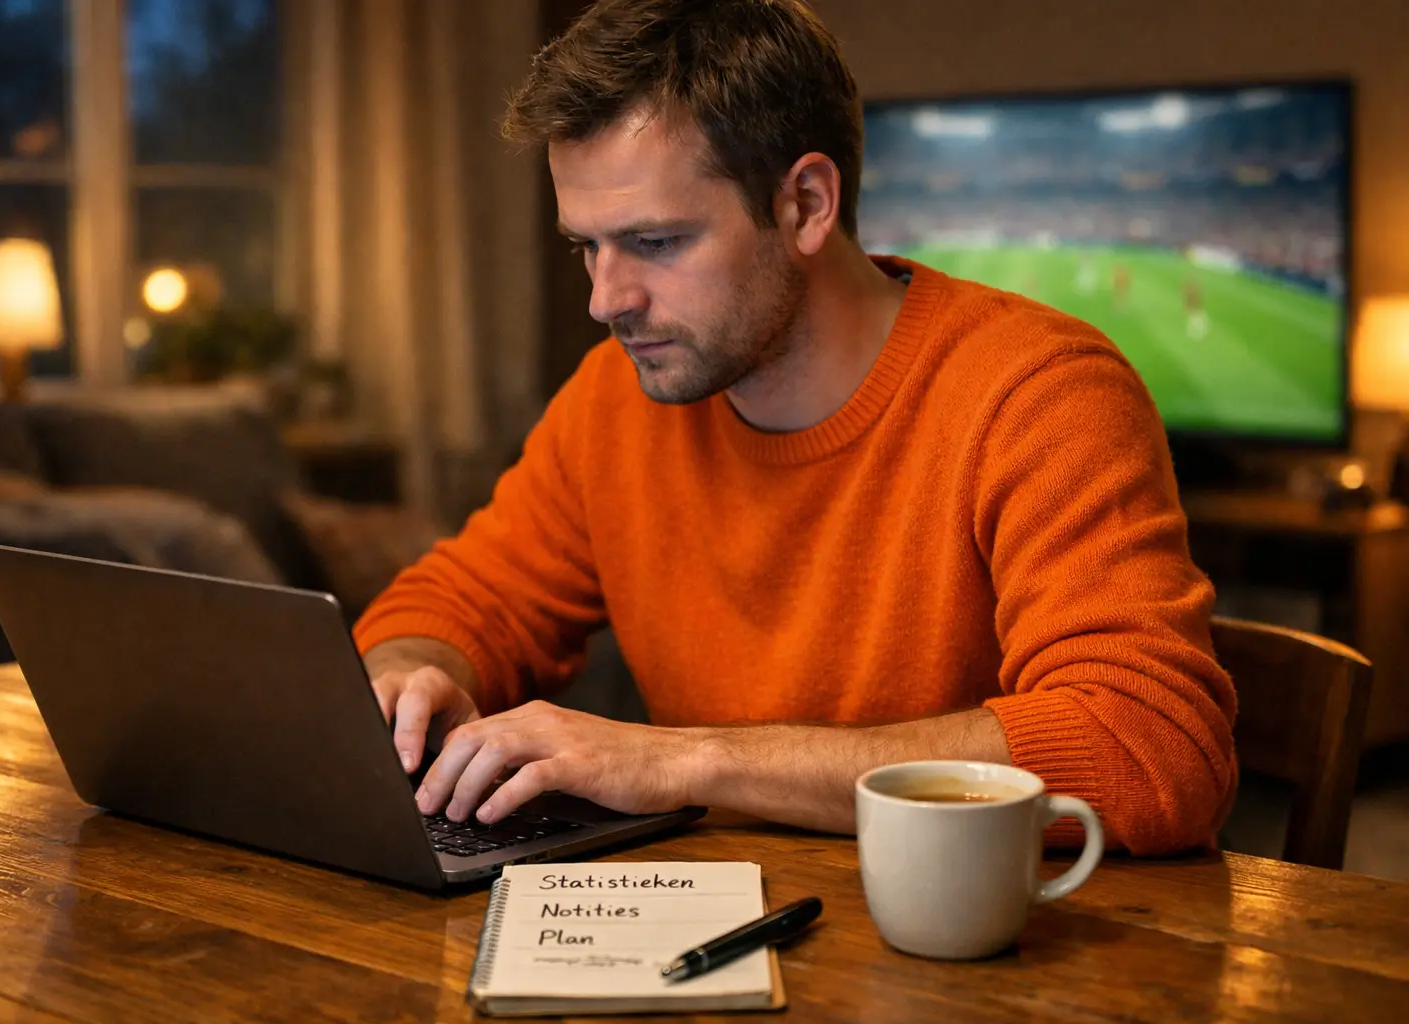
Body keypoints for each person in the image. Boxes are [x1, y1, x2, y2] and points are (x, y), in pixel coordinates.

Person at [353, 0, 1236, 855]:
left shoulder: (1037, 392)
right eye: (585, 245)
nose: (604, 299)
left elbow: (1147, 748)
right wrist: (412, 675)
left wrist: (688, 760)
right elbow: (465, 603)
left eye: (654, 243)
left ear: (807, 203)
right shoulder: (613, 399)